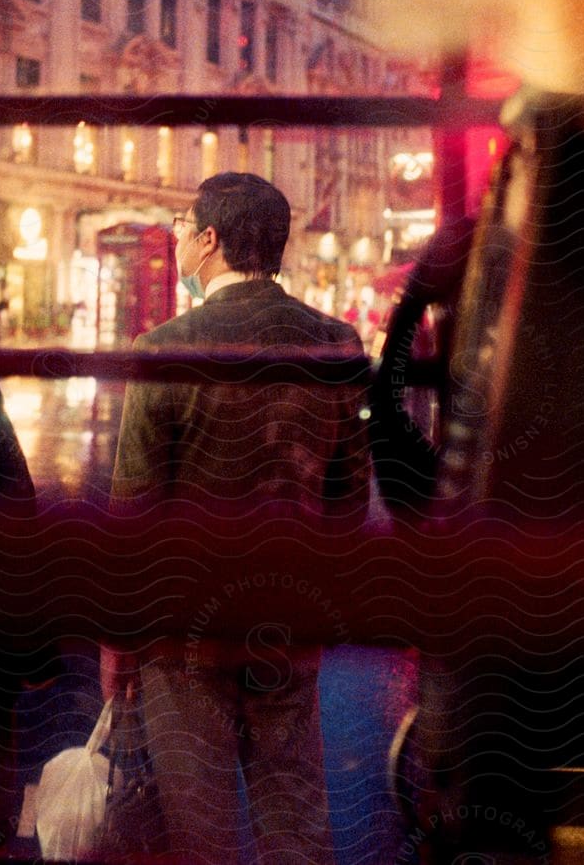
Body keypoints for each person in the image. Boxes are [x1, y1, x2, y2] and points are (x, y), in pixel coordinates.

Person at [102, 172, 370, 865]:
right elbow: (348, 500)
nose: (181, 236)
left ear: (210, 240)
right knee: (296, 818)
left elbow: (135, 510)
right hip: (288, 617)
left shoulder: (164, 348)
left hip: (184, 632)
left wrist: (117, 638)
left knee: (202, 830)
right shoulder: (335, 344)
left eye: (186, 224)